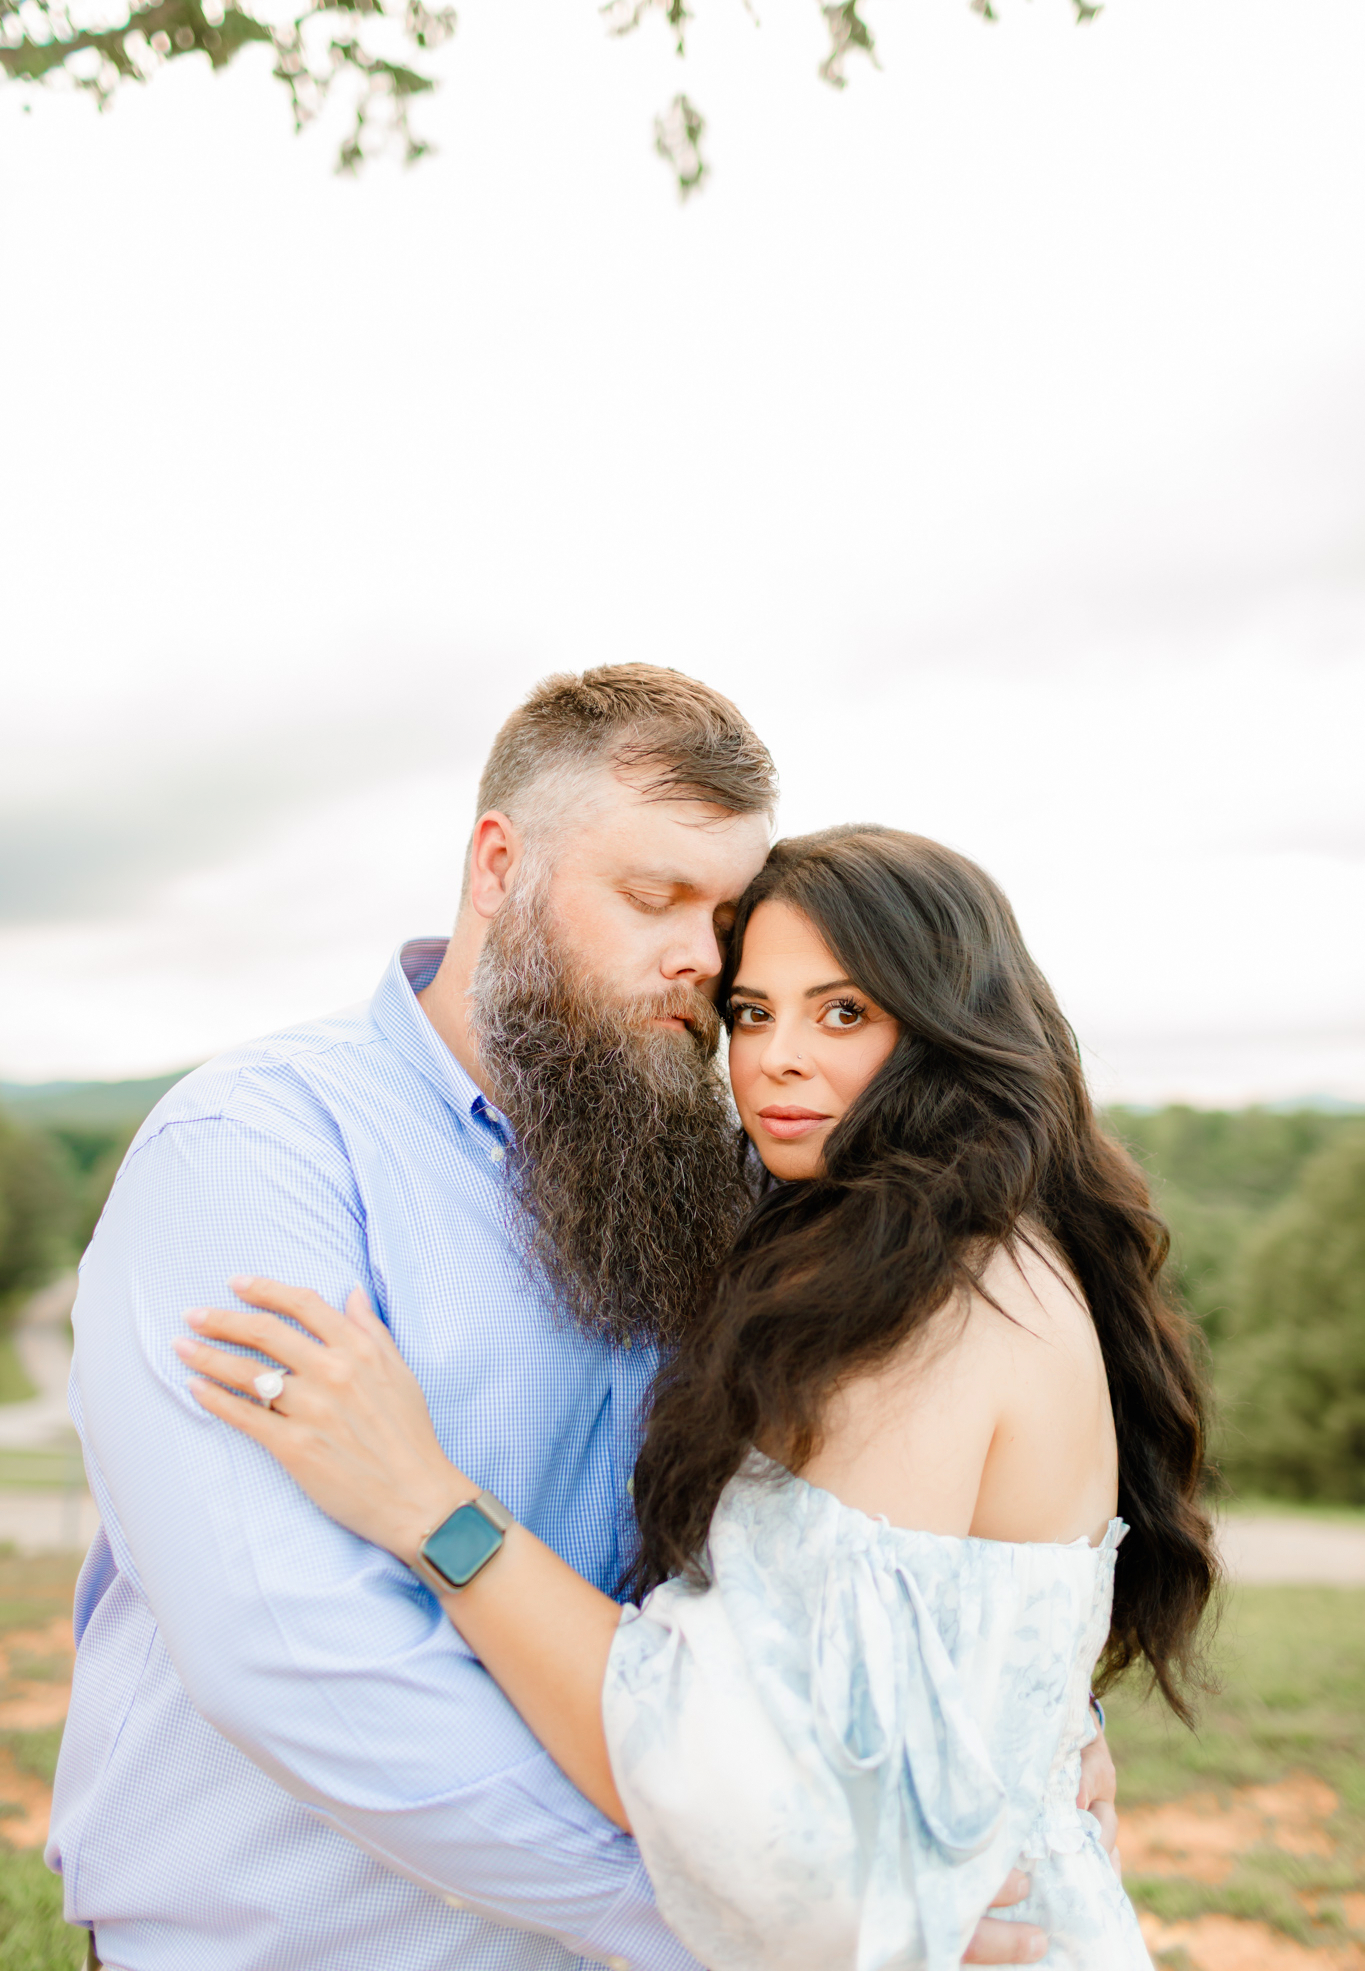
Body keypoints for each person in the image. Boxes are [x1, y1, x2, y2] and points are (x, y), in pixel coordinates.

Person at [50, 668, 1070, 1971]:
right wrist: (723, 1916)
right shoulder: (258, 1151)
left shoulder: (728, 1168)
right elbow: (295, 1655)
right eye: (652, 899)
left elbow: (840, 1550)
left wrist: (1021, 1726)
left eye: (726, 914)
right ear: (497, 866)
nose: (703, 958)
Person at [181, 825, 1213, 1971]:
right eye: (753, 1012)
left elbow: (730, 1783)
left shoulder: (938, 1300)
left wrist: (430, 1505)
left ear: (953, 1032)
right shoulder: (983, 1248)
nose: (773, 1058)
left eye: (843, 1012)